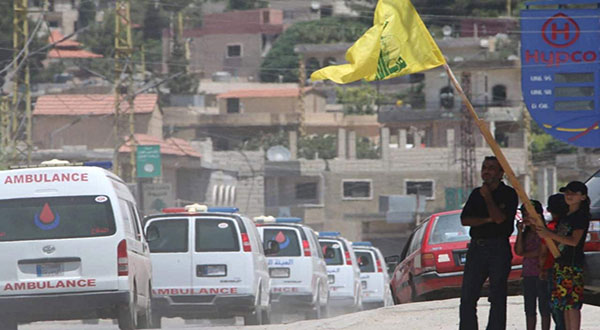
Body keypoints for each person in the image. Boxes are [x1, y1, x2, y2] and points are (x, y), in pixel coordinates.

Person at [459, 156, 519, 330]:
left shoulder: (508, 194)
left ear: (501, 173)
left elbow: (500, 219)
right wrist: (487, 219)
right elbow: (465, 220)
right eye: (484, 167)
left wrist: (487, 198)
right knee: (468, 295)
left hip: (498, 247)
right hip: (477, 247)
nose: (486, 171)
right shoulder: (476, 193)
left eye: (491, 167)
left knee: (497, 295)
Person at [534, 181, 591, 330]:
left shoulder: (581, 216)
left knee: (572, 304)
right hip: (561, 263)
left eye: (574, 193)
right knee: (564, 303)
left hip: (573, 265)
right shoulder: (566, 216)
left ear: (583, 197)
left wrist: (549, 234)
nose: (569, 195)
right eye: (567, 192)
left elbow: (574, 241)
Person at [515, 200, 551, 330]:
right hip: (528, 274)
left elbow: (542, 251)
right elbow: (519, 251)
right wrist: (520, 231)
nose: (527, 217)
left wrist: (527, 253)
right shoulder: (526, 234)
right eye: (525, 214)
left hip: (542, 273)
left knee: (545, 307)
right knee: (529, 308)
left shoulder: (544, 231)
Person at [539, 194, 569, 330]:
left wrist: (542, 268)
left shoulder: (550, 228)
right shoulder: (568, 226)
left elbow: (544, 252)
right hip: (568, 267)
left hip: (552, 269)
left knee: (556, 306)